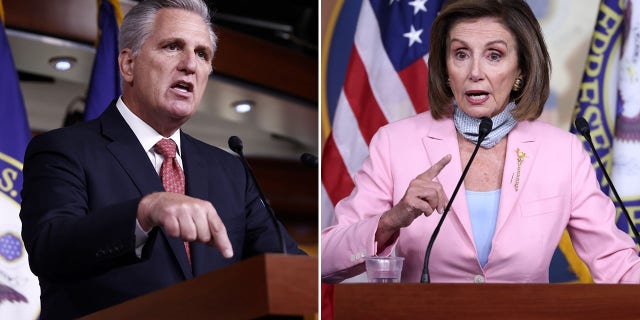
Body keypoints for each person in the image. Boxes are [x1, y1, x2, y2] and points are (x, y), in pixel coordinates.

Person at [19, 0, 305, 318]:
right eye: (172, 47)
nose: (190, 65)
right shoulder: (64, 149)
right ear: (128, 64)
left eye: (202, 54)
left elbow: (289, 269)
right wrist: (145, 211)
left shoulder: (231, 171)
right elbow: (49, 250)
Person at [321, 0, 640, 284]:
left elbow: (616, 264)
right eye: (461, 54)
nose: (475, 71)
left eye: (494, 55)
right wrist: (391, 220)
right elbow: (327, 259)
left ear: (521, 71)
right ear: (446, 70)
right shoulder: (394, 144)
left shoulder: (563, 153)